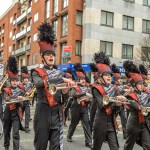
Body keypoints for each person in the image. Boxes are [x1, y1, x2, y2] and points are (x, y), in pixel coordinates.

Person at [31, 22, 74, 150]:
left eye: (53, 55)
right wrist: (61, 79)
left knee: (55, 147)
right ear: (42, 58)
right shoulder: (36, 72)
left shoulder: (60, 72)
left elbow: (63, 99)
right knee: (41, 146)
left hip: (56, 114)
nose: (51, 57)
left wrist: (66, 91)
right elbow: (39, 84)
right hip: (42, 112)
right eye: (48, 55)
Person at [92, 51, 125, 150]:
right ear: (101, 77)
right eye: (106, 75)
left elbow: (116, 108)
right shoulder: (96, 88)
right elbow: (101, 104)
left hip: (111, 122)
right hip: (100, 122)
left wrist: (119, 103)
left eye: (110, 75)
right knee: (96, 148)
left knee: (115, 148)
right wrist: (115, 101)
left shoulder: (115, 88)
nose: (109, 76)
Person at [123, 60, 150, 150]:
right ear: (134, 84)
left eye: (142, 83)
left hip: (144, 125)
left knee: (148, 146)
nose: (142, 85)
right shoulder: (130, 95)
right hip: (133, 125)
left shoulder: (145, 93)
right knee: (128, 147)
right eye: (139, 84)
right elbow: (138, 107)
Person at [67, 63, 92, 148]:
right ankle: (69, 136)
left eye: (84, 79)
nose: (83, 80)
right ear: (78, 80)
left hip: (84, 108)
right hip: (76, 107)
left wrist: (88, 100)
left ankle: (88, 142)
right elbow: (74, 95)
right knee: (74, 123)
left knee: (86, 124)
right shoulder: (75, 86)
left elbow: (90, 99)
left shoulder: (88, 88)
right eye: (81, 79)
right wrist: (84, 94)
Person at [3, 56, 25, 150]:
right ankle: (6, 147)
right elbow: (6, 99)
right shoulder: (6, 89)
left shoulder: (21, 91)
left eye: (16, 81)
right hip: (7, 113)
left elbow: (21, 105)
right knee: (7, 132)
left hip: (16, 114)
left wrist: (21, 101)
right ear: (10, 81)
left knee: (16, 134)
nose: (15, 82)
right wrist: (17, 98)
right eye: (13, 81)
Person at [111, 63, 127, 139]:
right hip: (115, 106)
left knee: (124, 119)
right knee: (111, 120)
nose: (121, 80)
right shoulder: (113, 87)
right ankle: (108, 135)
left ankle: (125, 135)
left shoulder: (123, 86)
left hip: (121, 105)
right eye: (119, 79)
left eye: (121, 79)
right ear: (116, 80)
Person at [21, 66, 33, 133]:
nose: (26, 79)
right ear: (22, 79)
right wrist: (26, 92)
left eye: (27, 78)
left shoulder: (30, 84)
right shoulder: (20, 85)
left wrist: (31, 92)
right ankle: (19, 126)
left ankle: (27, 128)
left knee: (27, 115)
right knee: (20, 115)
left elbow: (33, 89)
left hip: (27, 102)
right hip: (21, 102)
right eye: (25, 78)